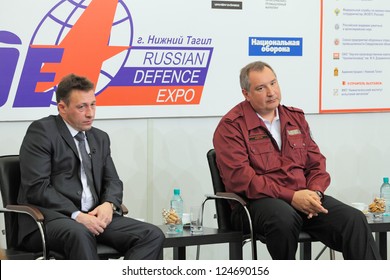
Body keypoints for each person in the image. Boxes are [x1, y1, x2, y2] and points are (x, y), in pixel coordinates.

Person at [213, 61, 381, 260]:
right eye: (261, 88)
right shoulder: (231, 126)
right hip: (254, 204)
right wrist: (292, 197)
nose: (271, 92)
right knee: (283, 217)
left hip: (303, 199)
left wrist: (315, 194)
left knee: (354, 220)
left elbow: (316, 163)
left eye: (273, 83)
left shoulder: (295, 118)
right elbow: (242, 179)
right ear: (246, 94)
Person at [17, 73, 165, 259]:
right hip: (51, 219)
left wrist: (108, 204)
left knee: (151, 235)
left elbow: (113, 181)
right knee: (80, 233)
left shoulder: (99, 138)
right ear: (62, 108)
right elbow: (37, 188)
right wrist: (77, 215)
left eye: (93, 104)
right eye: (82, 107)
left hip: (93, 217)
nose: (90, 113)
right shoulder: (43, 132)